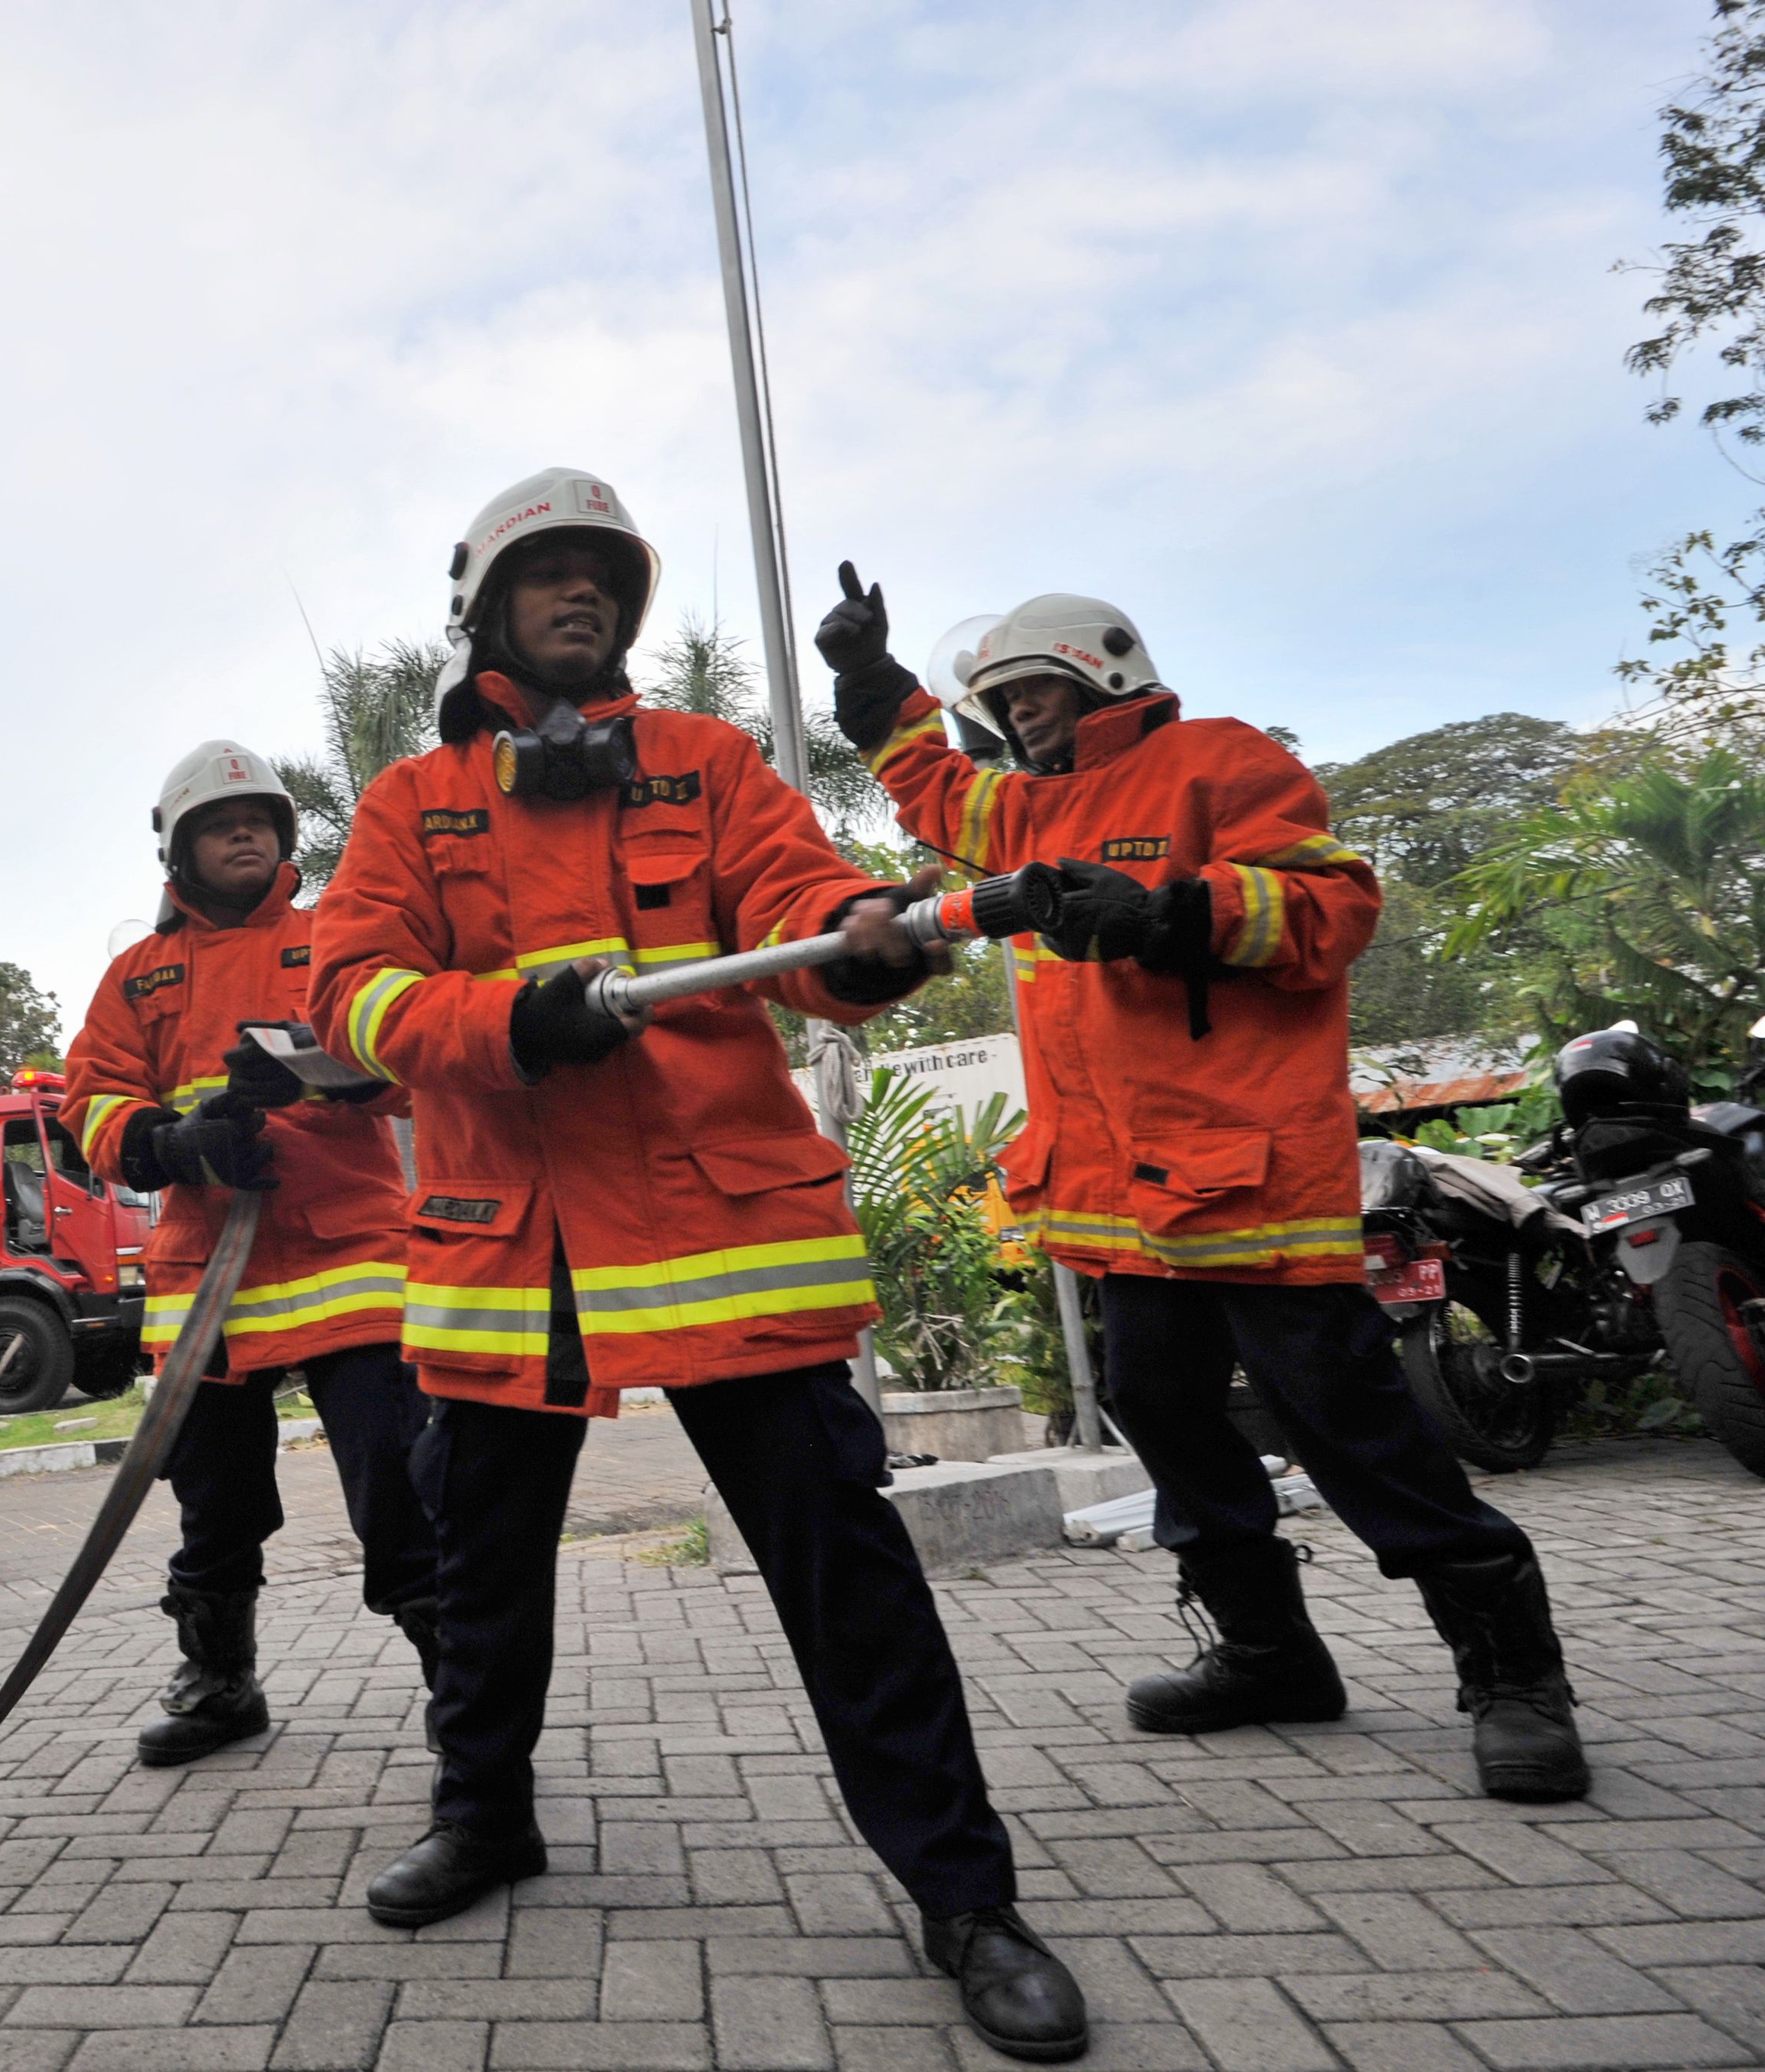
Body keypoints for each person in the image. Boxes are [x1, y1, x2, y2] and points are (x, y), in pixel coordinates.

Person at [307, 470, 1087, 2064]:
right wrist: (507, 1016)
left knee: (847, 1577)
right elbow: (352, 995)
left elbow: (798, 895)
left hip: (723, 1238)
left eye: (604, 577)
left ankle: (965, 1894)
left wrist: (865, 925)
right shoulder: (413, 801)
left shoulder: (709, 763)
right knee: (481, 1574)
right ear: (490, 610)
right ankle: (485, 1814)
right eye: (550, 578)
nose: (581, 597)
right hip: (510, 1253)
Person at [824, 569, 1590, 1807]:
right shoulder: (1024, 810)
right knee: (1163, 1412)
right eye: (1005, 702)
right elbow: (934, 789)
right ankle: (1268, 1650)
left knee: (1352, 1430)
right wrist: (869, 683)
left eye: (1036, 692)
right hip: (1122, 1206)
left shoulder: (1219, 764)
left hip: (1249, 1186)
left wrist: (1166, 912)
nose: (1019, 717)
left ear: (1104, 677)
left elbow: (1331, 909)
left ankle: (1514, 1677)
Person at [62, 742, 439, 1768]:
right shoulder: (136, 976)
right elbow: (90, 1098)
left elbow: (405, 1059)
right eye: (221, 822)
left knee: (400, 1482)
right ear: (179, 846)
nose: (247, 834)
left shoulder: (332, 939)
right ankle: (220, 1681)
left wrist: (314, 1079)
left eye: (261, 820)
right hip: (202, 1264)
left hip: (349, 1253)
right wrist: (167, 1143)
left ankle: (468, 1701)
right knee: (212, 1495)